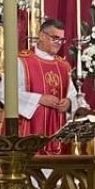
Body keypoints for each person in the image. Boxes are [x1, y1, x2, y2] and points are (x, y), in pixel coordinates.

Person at [16, 18, 77, 154]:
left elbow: (73, 95)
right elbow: (6, 93)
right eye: (55, 38)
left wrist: (69, 103)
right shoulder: (23, 61)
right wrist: (39, 99)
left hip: (57, 132)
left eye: (62, 40)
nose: (59, 43)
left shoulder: (63, 66)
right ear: (42, 36)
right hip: (30, 132)